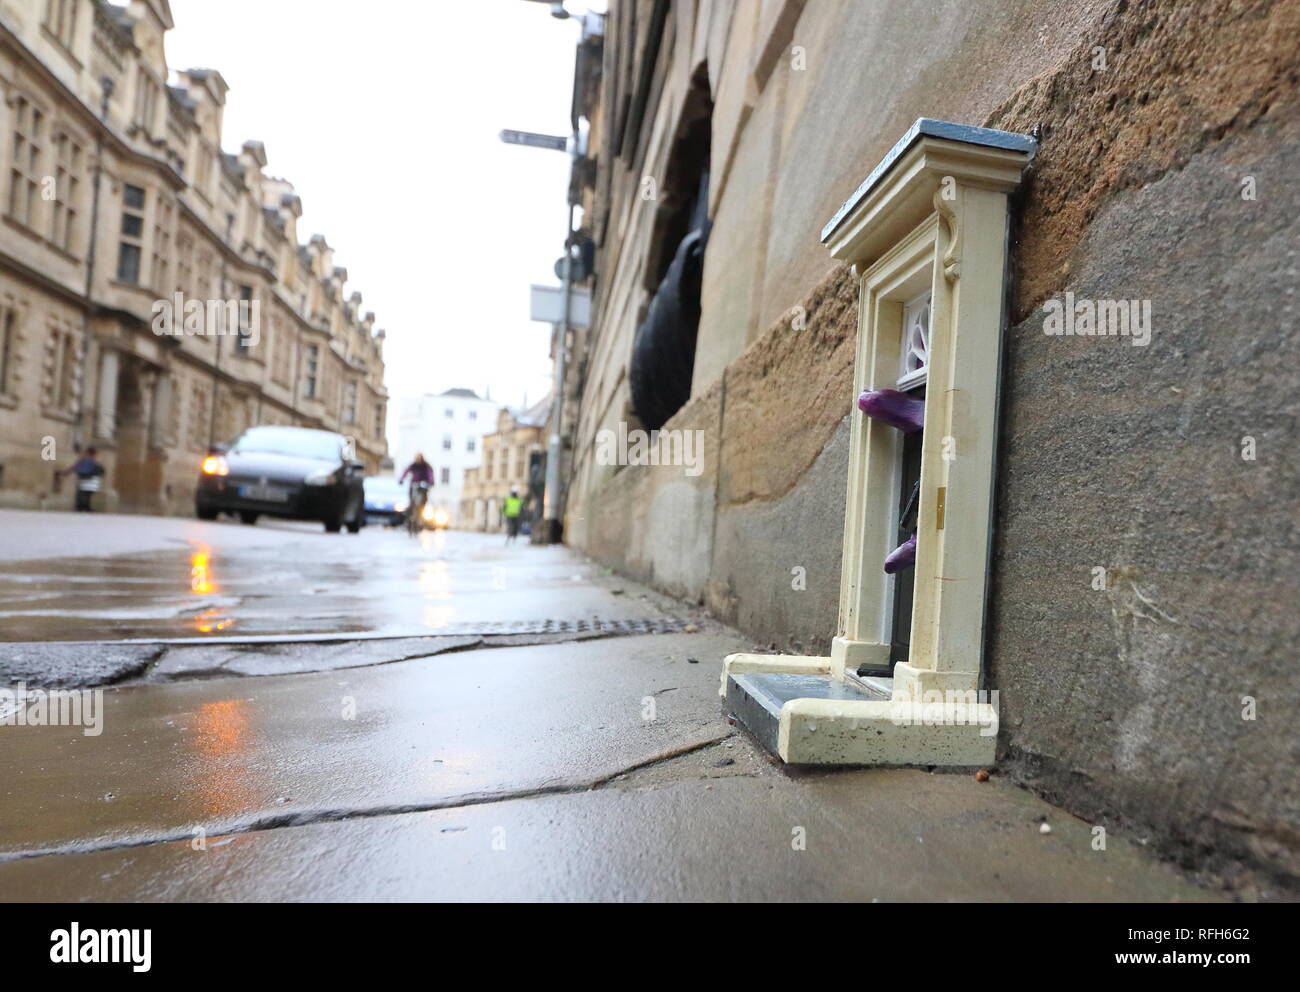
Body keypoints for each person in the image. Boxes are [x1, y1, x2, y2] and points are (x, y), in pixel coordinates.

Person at [66, 447, 106, 512]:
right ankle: (85, 507)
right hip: (93, 482)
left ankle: (81, 507)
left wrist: (66, 473)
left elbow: (75, 467)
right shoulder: (95, 462)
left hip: (85, 481)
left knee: (82, 494)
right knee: (87, 495)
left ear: (87, 453)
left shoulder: (85, 461)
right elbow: (102, 471)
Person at [399, 453, 435, 523]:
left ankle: (421, 512)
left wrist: (431, 482)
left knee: (423, 499)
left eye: (419, 458)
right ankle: (410, 512)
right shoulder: (413, 465)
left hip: (423, 484)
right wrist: (401, 479)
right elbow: (406, 471)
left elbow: (430, 474)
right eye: (417, 458)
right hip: (414, 483)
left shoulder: (426, 466)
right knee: (411, 498)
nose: (418, 459)